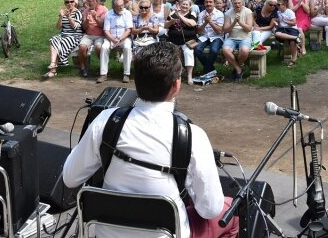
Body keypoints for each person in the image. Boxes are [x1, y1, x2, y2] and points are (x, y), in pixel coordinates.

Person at [62, 43, 239, 238]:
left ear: (136, 82)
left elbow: (70, 178)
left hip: (107, 233)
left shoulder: (106, 121)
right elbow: (210, 210)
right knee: (231, 213)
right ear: (176, 85)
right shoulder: (193, 136)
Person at [44, 0, 83, 78]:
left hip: (75, 36)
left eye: (71, 1)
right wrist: (61, 16)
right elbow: (58, 27)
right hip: (64, 35)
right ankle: (53, 64)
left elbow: (75, 27)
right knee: (53, 40)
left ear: (74, 2)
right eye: (67, 2)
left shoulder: (77, 13)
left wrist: (69, 17)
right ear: (65, 3)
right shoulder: (63, 12)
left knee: (61, 43)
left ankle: (53, 70)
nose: (70, 4)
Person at [99, 0, 134, 84]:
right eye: (119, 6)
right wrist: (113, 39)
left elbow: (129, 30)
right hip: (111, 38)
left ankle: (126, 74)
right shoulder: (108, 14)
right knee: (104, 47)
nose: (121, 7)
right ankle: (103, 74)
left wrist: (120, 39)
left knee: (127, 48)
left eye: (122, 5)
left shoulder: (127, 13)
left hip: (124, 38)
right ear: (114, 7)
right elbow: (106, 30)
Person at [165, 0, 198, 84]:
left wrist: (180, 16)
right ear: (179, 5)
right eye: (183, 4)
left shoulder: (192, 13)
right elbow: (165, 26)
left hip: (188, 41)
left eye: (187, 4)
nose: (185, 6)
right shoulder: (172, 13)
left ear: (190, 6)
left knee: (188, 53)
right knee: (171, 53)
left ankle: (189, 76)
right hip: (173, 40)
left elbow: (192, 24)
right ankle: (173, 75)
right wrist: (171, 21)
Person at [221, 0, 254, 82]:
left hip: (245, 37)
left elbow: (249, 29)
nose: (237, 5)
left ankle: (236, 68)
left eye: (239, 3)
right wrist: (234, 22)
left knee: (244, 50)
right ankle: (239, 69)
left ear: (242, 2)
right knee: (225, 50)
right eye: (235, 3)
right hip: (232, 38)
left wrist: (239, 22)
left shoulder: (248, 12)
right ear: (232, 3)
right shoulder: (228, 13)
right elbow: (226, 30)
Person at [78, 0, 107, 78]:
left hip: (100, 35)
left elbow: (103, 25)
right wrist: (86, 21)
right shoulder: (86, 11)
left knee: (99, 48)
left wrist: (95, 17)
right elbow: (84, 27)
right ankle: (83, 68)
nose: (90, 3)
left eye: (92, 1)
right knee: (82, 47)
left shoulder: (103, 10)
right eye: (88, 1)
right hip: (88, 35)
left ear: (97, 1)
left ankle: (102, 67)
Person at [194, 0, 225, 74]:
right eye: (207, 2)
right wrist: (205, 22)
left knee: (214, 51)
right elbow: (198, 31)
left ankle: (207, 69)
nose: (208, 4)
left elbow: (219, 31)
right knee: (197, 50)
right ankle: (210, 68)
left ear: (214, 3)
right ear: (204, 3)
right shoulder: (201, 14)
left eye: (210, 2)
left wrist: (210, 22)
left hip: (216, 37)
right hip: (204, 36)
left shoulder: (220, 14)